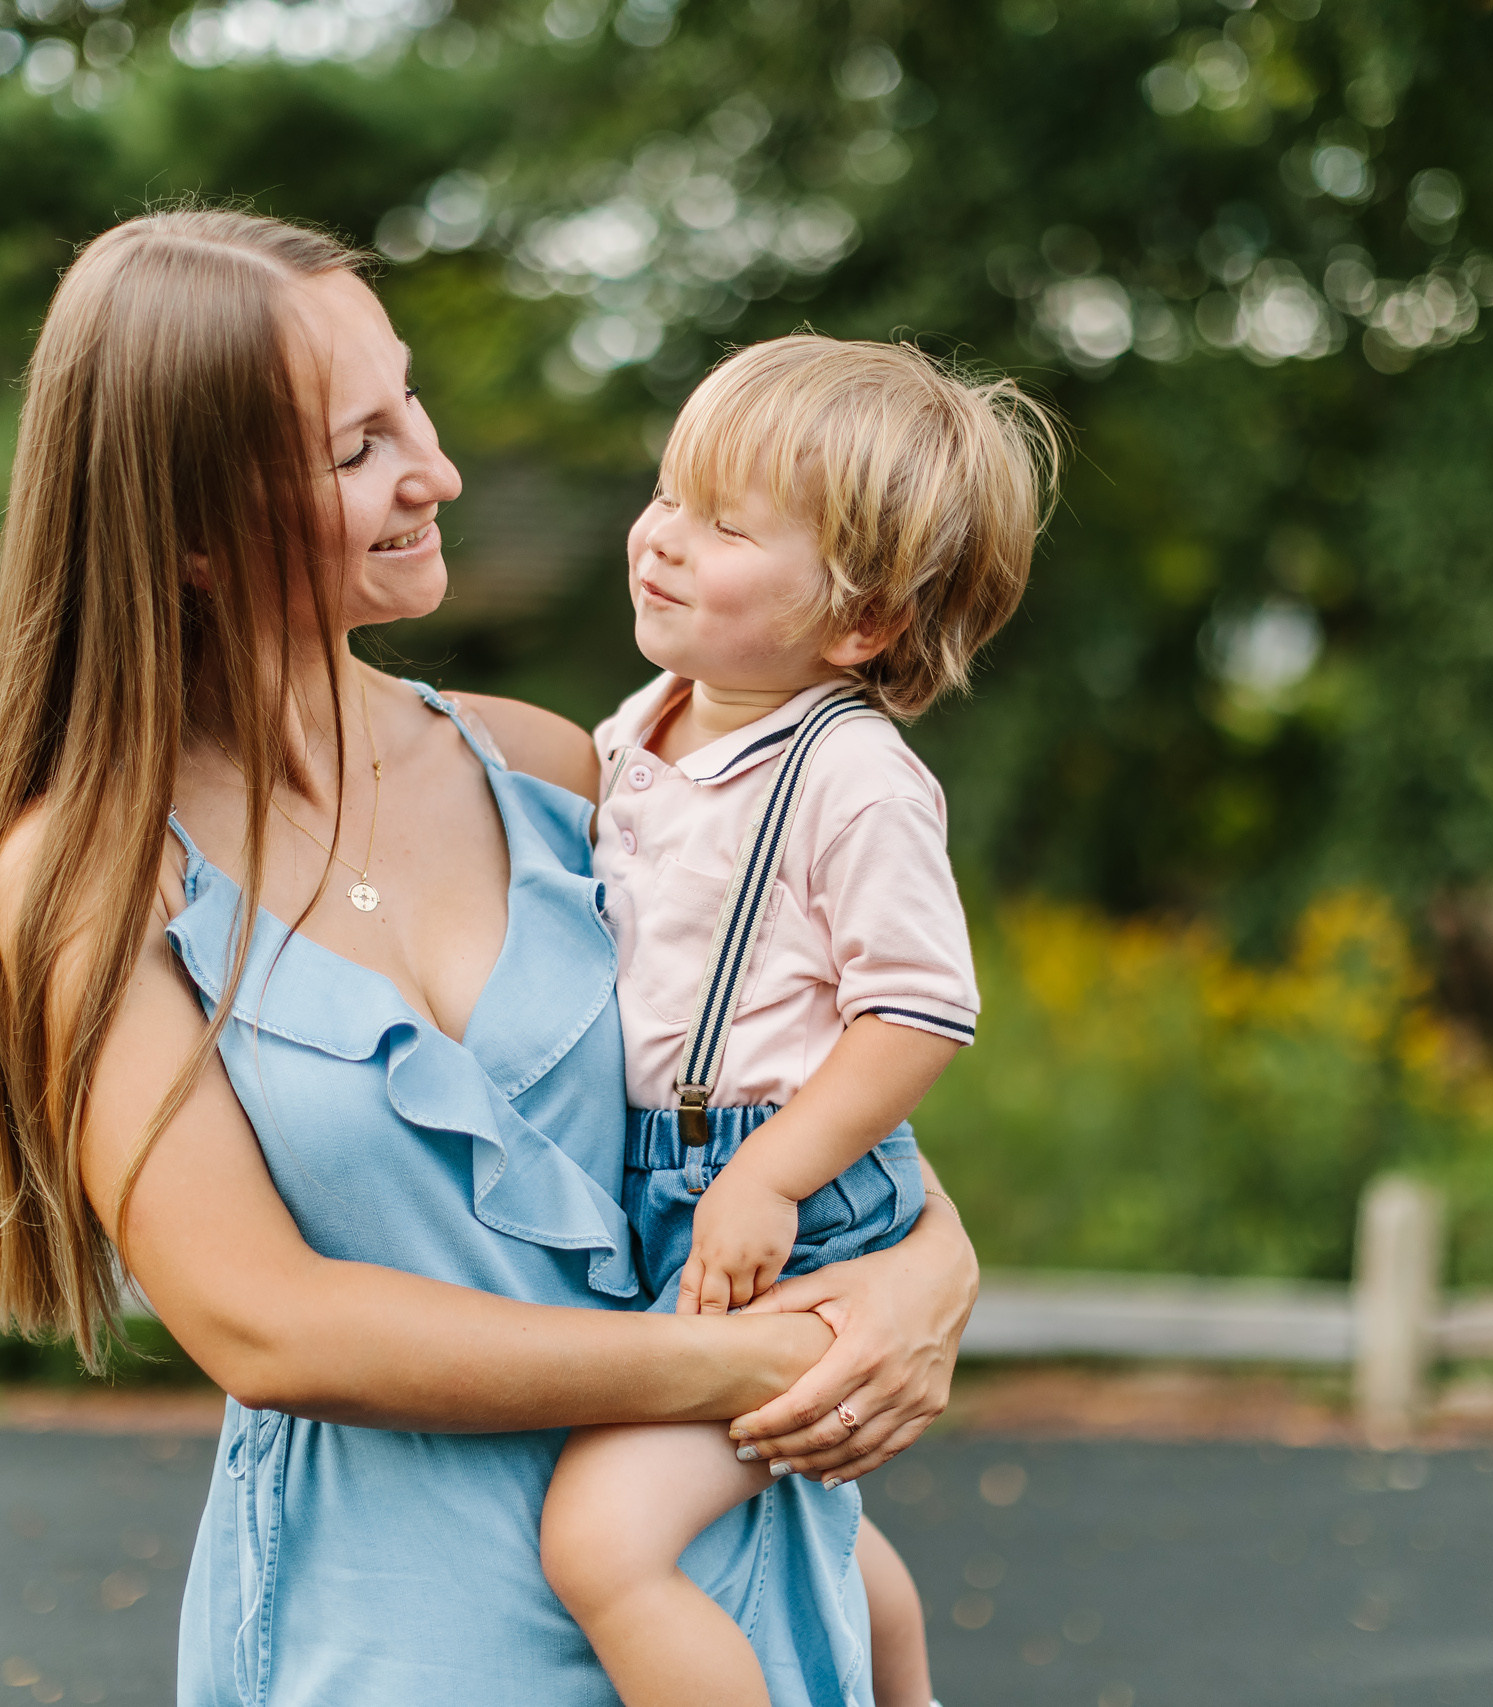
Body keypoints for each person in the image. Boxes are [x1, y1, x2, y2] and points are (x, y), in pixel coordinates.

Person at [0, 208, 984, 1707]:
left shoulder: (556, 770)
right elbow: (266, 1325)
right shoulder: (85, 875)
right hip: (388, 1638)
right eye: (354, 446)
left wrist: (930, 1278)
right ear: (184, 525)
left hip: (723, 1604)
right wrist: (748, 1369)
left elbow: (767, 1087)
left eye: (409, 404)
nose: (432, 470)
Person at [537, 338, 1057, 1707]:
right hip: (663, 1182)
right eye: (666, 496)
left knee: (605, 1537)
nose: (659, 540)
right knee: (794, 1512)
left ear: (863, 623)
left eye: (722, 525)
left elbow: (920, 1013)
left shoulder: (854, 776)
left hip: (777, 1197)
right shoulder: (631, 737)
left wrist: (769, 1176)